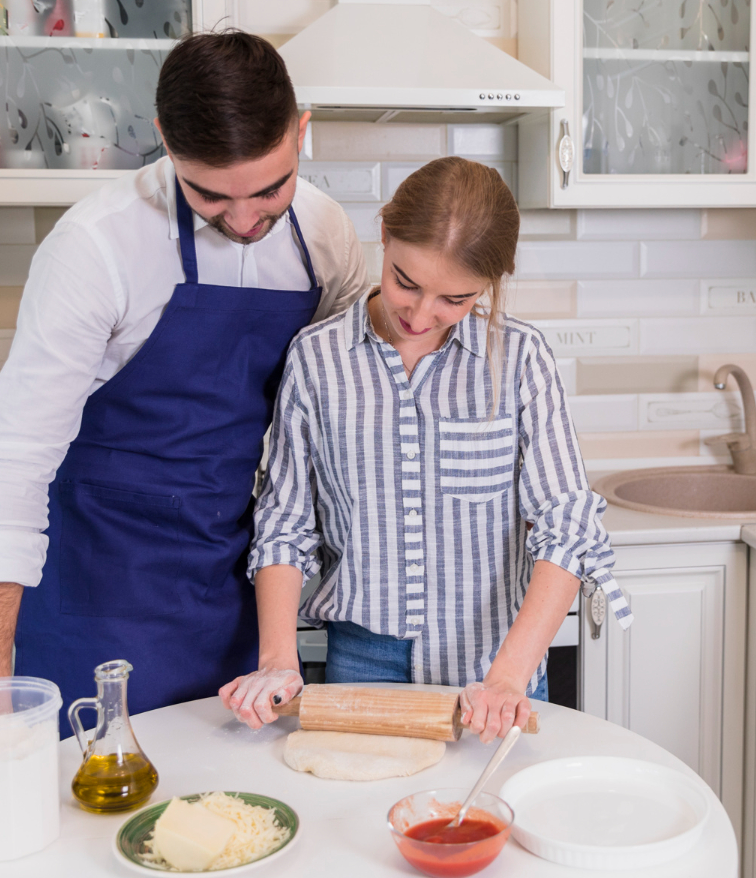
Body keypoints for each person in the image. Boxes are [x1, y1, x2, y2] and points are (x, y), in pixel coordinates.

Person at [0, 31, 368, 826]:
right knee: (95, 829)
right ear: (164, 142)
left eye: (268, 190)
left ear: (302, 131)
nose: (243, 221)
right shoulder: (98, 246)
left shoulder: (323, 234)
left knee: (229, 822)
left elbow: (349, 384)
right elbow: (13, 463)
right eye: (209, 197)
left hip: (229, 573)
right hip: (101, 581)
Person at [219, 156, 632, 743]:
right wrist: (278, 660)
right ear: (384, 234)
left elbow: (567, 526)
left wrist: (509, 679)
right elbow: (284, 523)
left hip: (493, 669)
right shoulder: (316, 360)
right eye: (405, 282)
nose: (419, 314)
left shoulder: (518, 361)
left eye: (454, 300)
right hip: (361, 665)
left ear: (488, 285)